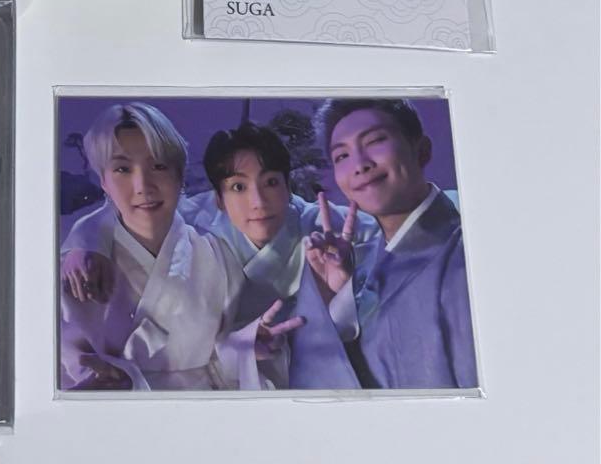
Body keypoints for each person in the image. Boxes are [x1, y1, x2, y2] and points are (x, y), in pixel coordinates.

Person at [58, 104, 300, 391]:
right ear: (104, 182)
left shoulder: (217, 258)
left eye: (159, 166)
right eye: (122, 169)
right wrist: (114, 384)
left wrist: (246, 348)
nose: (143, 185)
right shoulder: (80, 266)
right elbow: (61, 366)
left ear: (180, 175)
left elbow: (221, 359)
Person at [63, 120, 377, 327]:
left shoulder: (324, 224)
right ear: (218, 198)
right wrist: (85, 244)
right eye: (238, 187)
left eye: (270, 182)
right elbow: (126, 211)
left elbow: (382, 237)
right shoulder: (199, 217)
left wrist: (343, 284)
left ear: (288, 186)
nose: (258, 201)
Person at [293, 98, 478, 390]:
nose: (359, 165)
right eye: (342, 156)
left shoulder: (469, 255)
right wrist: (338, 296)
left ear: (422, 150)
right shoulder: (360, 265)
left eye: (376, 141)